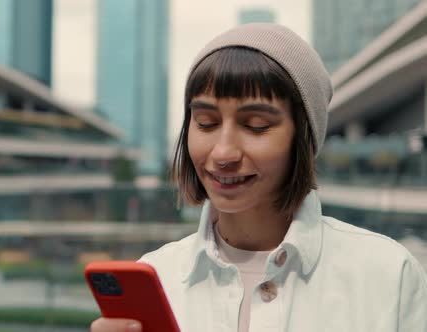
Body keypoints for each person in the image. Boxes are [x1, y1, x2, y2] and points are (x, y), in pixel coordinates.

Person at [91, 23, 427, 332]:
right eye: (206, 122)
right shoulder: (158, 276)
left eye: (256, 126)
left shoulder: (387, 276)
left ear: (304, 138)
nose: (223, 153)